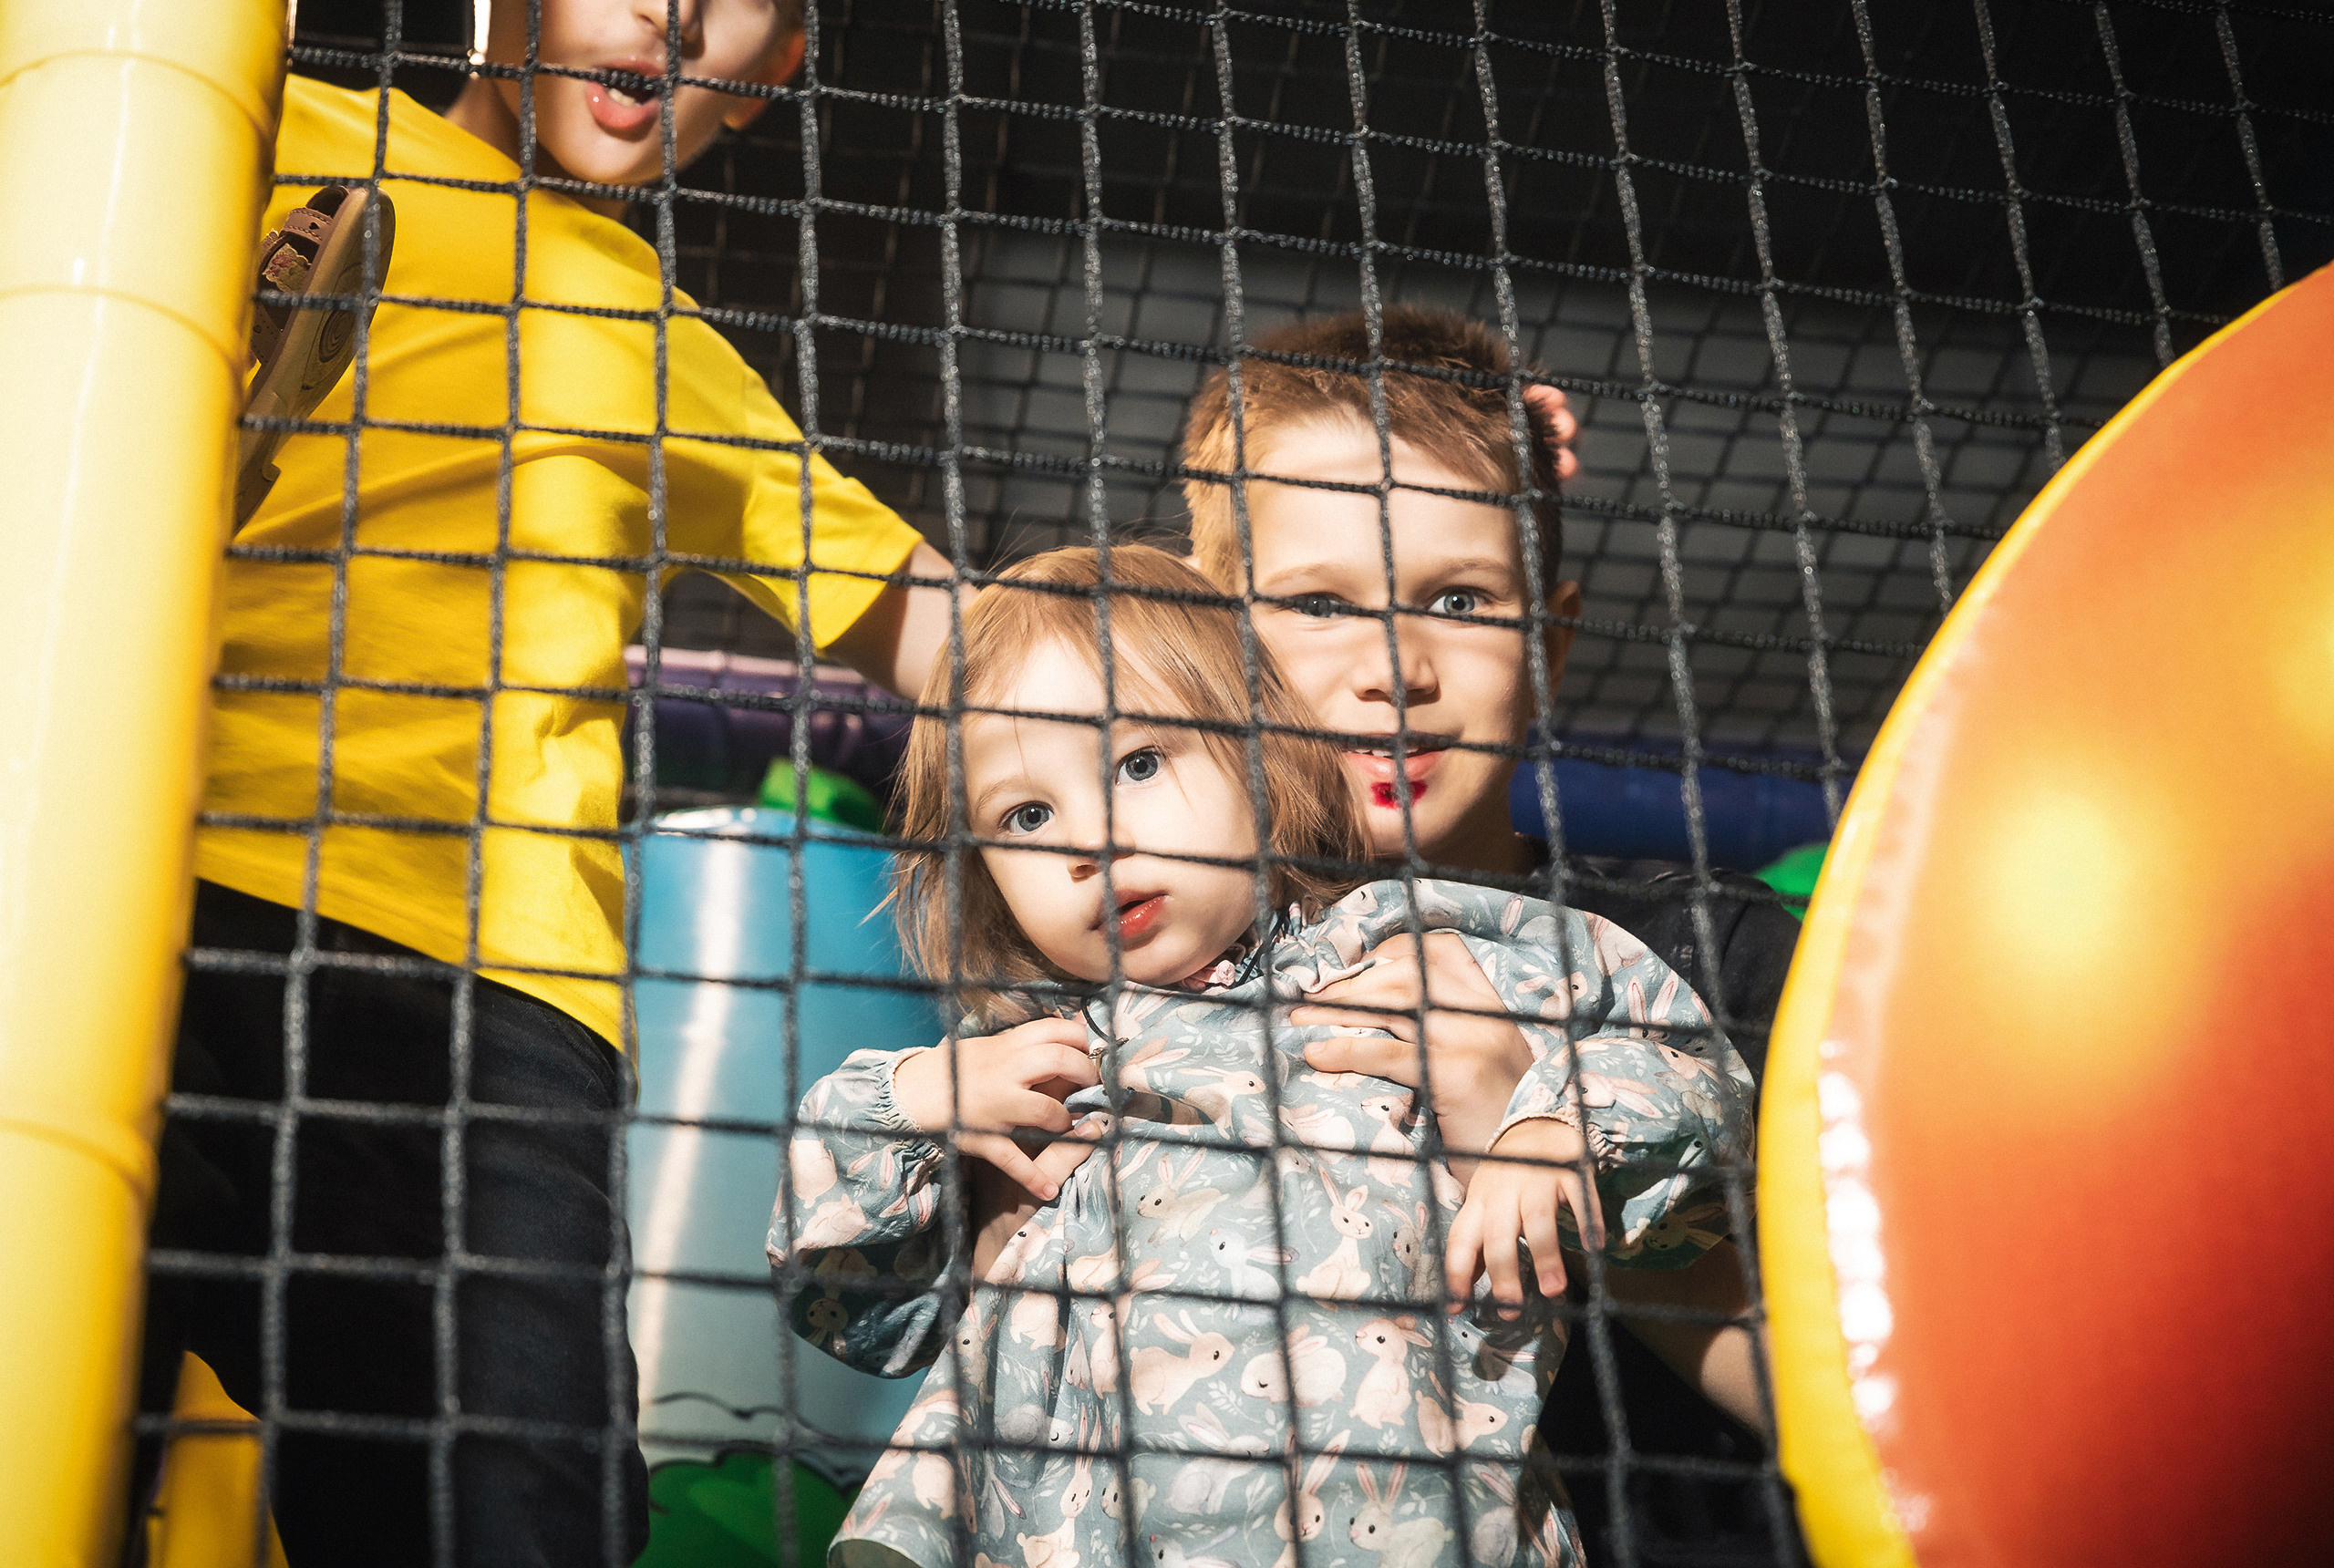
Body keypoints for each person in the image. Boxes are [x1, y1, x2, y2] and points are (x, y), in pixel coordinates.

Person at [134, 3, 962, 1563]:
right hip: (121, 885)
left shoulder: (659, 340)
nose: (670, 9)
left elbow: (946, 631)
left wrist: (1268, 649)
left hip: (480, 997)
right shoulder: (243, 115)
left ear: (771, 77)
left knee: (514, 1513)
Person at [769, 544, 1756, 1568]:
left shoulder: (1407, 948)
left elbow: (1685, 1066)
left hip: (1393, 1511)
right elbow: (848, 1300)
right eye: (1027, 815)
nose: (1091, 841)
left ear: (1260, 757)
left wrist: (1551, 1123)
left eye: (1138, 764)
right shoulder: (1034, 1064)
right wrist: (909, 1099)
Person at [1177, 306, 1805, 1563]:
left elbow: (1888, 1401)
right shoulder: (1143, 962)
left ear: (1549, 641)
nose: (1394, 665)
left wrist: (1544, 1134)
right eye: (1319, 602)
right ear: (1206, 639)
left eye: (1459, 598)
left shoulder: (1705, 950)